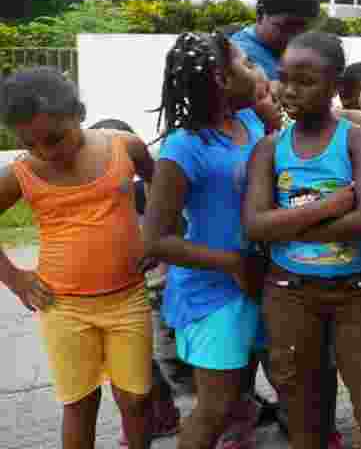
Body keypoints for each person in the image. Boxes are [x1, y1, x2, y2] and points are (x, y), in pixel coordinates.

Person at [244, 31, 361, 449]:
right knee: (302, 411)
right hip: (289, 294)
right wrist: (329, 206)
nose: (290, 90)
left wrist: (286, 223)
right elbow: (255, 226)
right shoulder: (269, 149)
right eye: (283, 78)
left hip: (356, 294)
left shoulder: (355, 140)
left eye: (306, 80)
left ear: (336, 85)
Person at [0, 67, 155, 449]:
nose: (44, 152)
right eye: (30, 144)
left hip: (128, 299)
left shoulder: (124, 147)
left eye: (54, 139)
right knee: (80, 403)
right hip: (63, 307)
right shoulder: (21, 173)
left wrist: (157, 236)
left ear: (78, 112)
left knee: (136, 400)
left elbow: (159, 184)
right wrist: (15, 278)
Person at [229, 0, 345, 444]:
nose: (295, 37)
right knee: (248, 325)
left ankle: (306, 420)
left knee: (291, 331)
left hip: (295, 193)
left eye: (303, 27)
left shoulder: (300, 55)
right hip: (248, 188)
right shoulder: (236, 56)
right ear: (260, 15)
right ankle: (240, 418)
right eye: (285, 26)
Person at [142, 32, 267, 449]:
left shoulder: (250, 121)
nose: (259, 70)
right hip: (213, 295)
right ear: (220, 80)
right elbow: (156, 240)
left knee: (240, 401)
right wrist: (233, 263)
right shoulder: (184, 147)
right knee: (214, 408)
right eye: (247, 65)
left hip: (256, 282)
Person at [89, 118, 184, 447]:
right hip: (124, 294)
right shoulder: (95, 195)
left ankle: (224, 412)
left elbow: (174, 228)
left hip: (160, 290)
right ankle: (164, 415)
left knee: (171, 360)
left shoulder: (146, 190)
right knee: (143, 366)